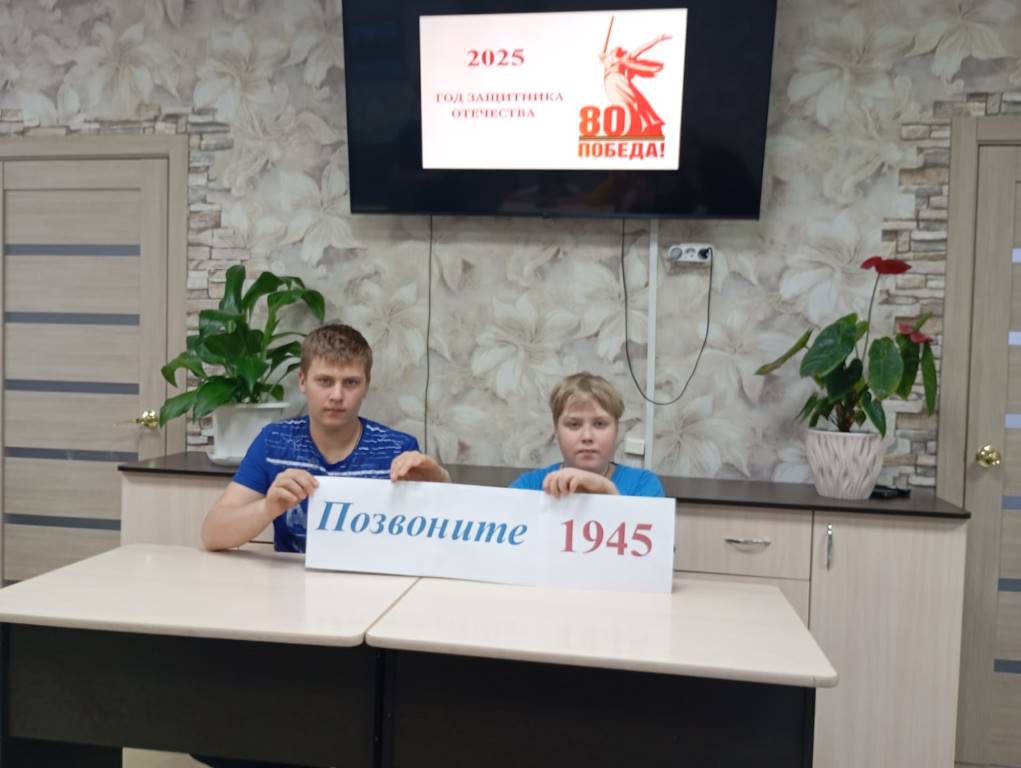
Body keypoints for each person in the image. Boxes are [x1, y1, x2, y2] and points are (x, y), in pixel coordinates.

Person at [202, 323, 448, 553]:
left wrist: (439, 483)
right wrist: (267, 507)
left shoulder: (397, 449)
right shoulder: (274, 442)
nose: (337, 395)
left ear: (366, 385)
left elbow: (435, 542)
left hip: (371, 580)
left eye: (350, 383)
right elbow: (212, 534)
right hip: (292, 581)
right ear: (302, 381)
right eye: (324, 381)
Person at [511, 372, 664, 497]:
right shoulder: (528, 487)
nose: (587, 437)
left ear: (617, 430)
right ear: (556, 431)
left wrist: (606, 490)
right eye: (574, 425)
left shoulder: (644, 485)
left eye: (600, 424)